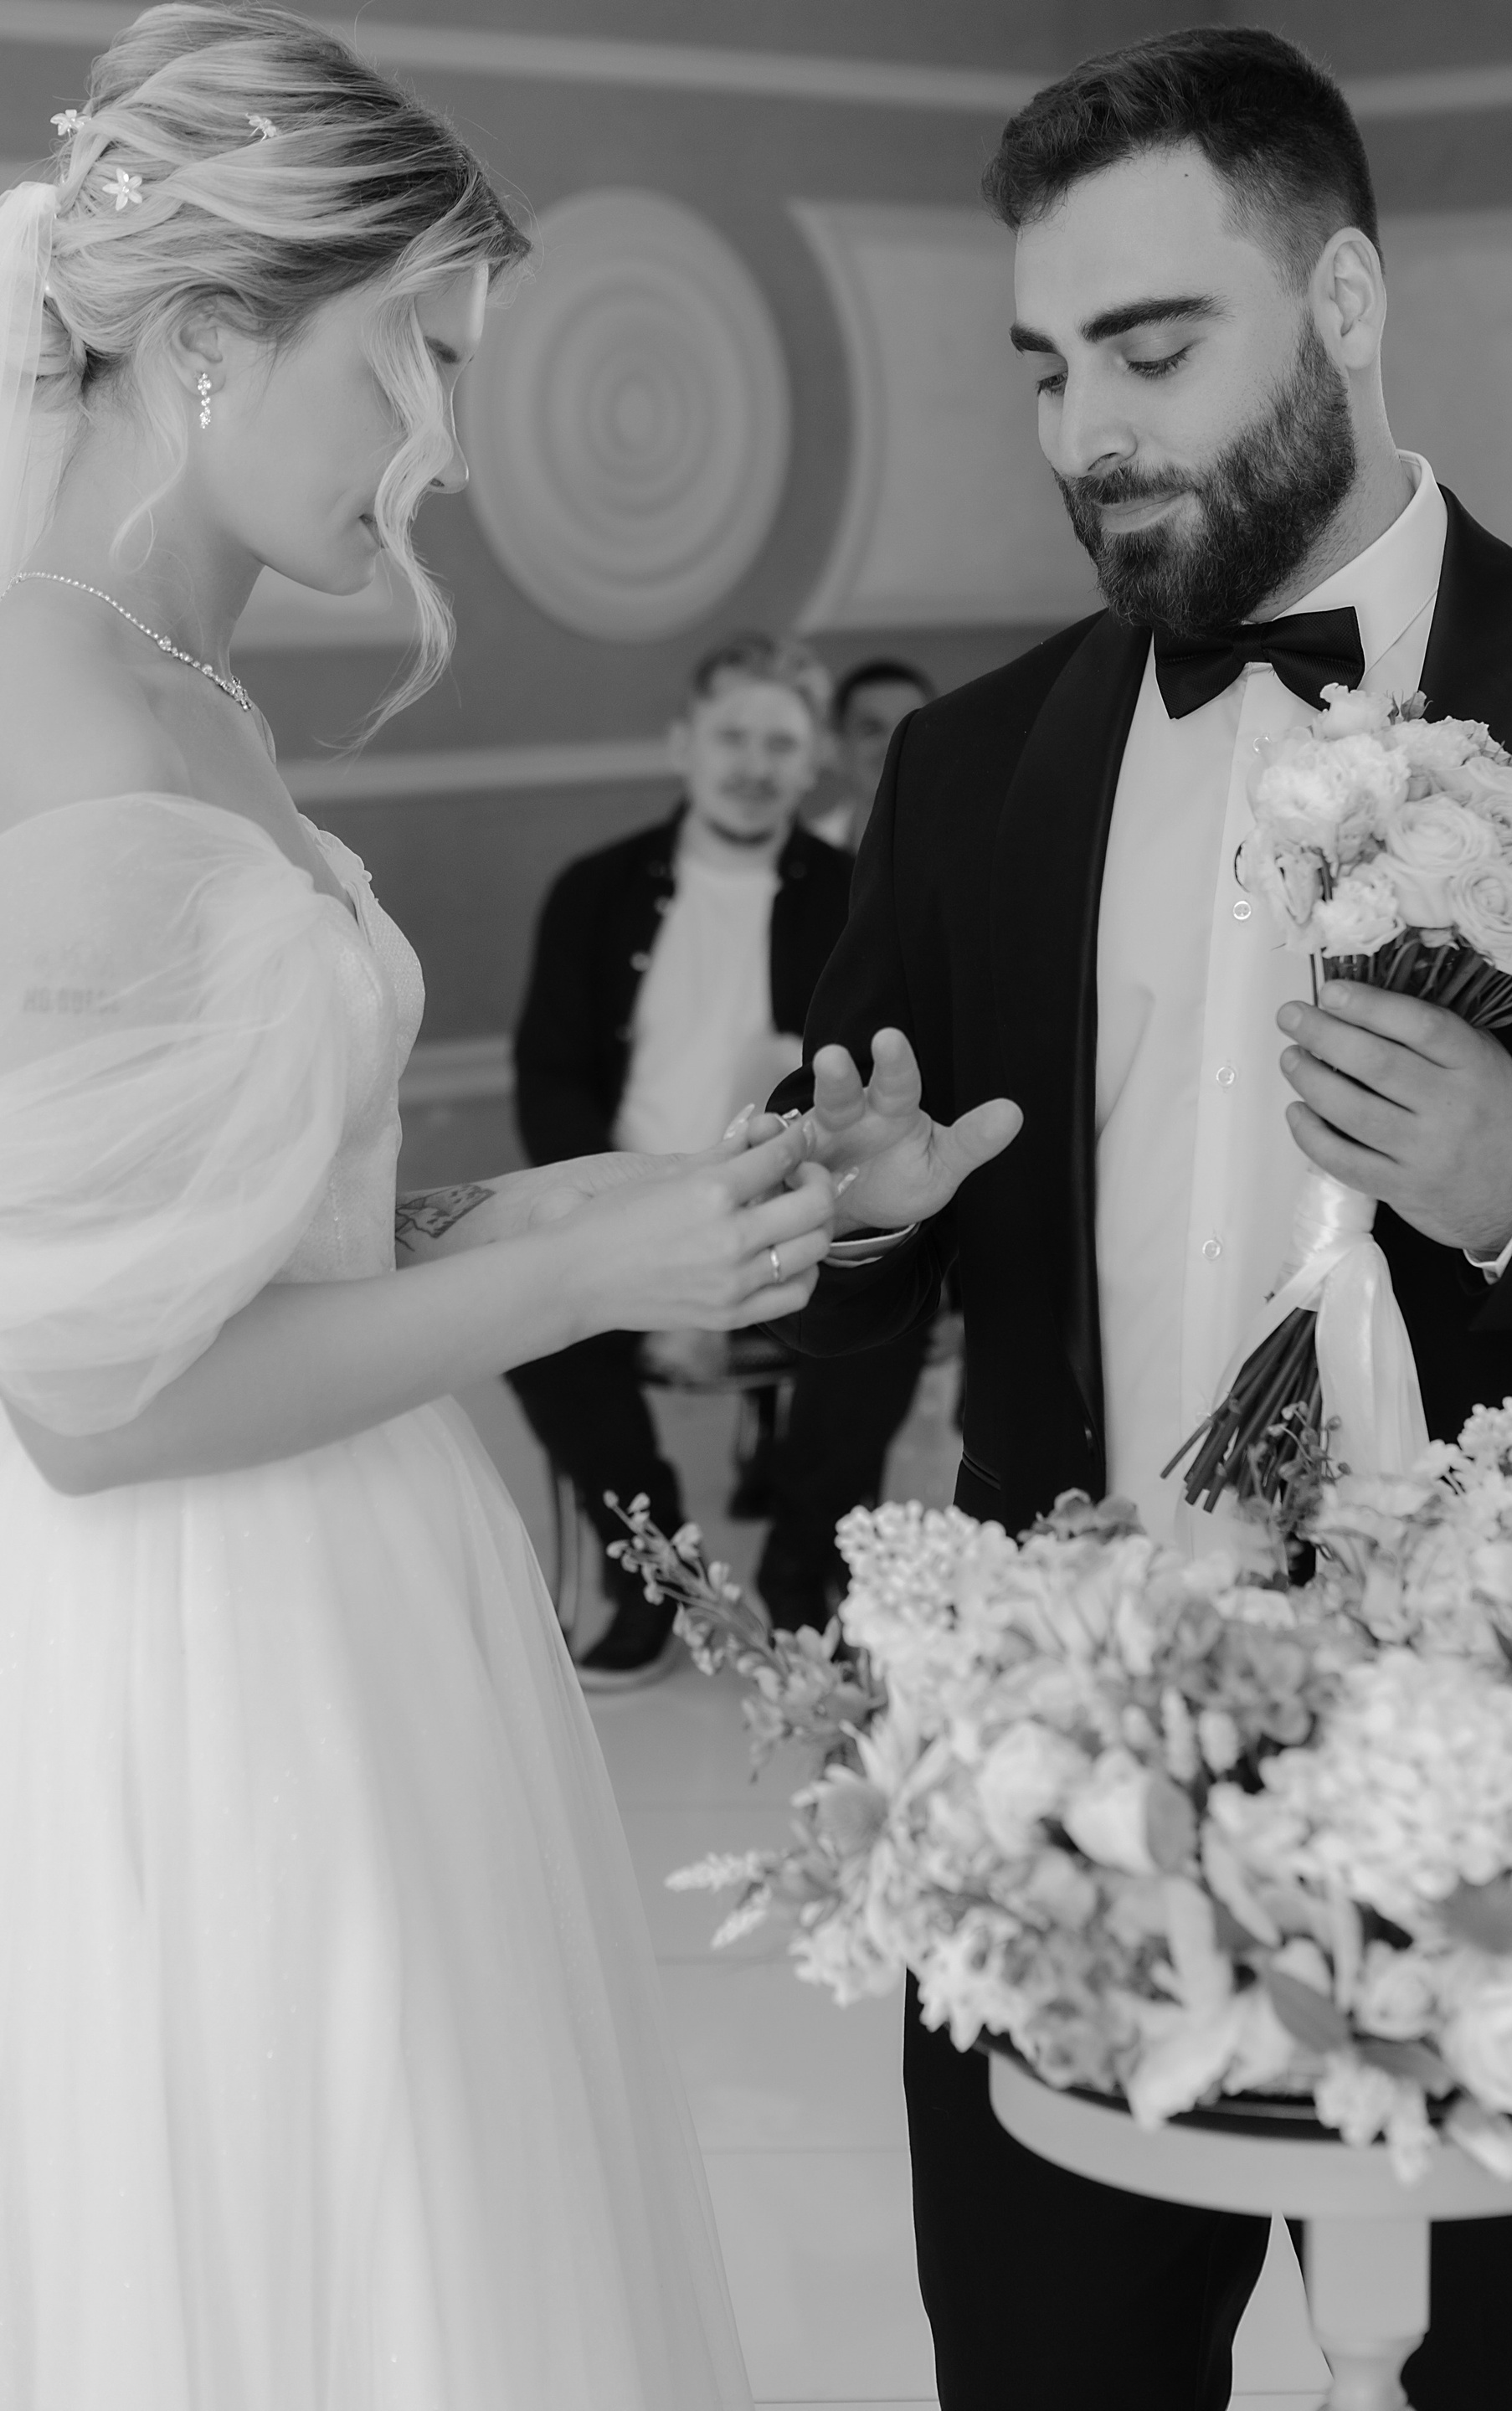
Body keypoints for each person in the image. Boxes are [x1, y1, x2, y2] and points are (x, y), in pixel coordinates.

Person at [0, 8, 838, 2403]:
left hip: (351, 1584)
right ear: (207, 333)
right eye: (417, 357)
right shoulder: (54, 709)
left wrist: (668, 1189)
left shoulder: (187, 691)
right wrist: (580, 1276)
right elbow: (93, 1403)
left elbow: (285, 1249)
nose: (445, 446)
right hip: (203, 1645)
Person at [769, 26, 1512, 2411]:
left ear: (1342, 298)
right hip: (1075, 1804)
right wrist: (864, 1224)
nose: (1087, 435)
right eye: (1045, 368)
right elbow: (868, 1236)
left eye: (1151, 349)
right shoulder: (964, 769)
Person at [508, 634, 921, 1678]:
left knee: (887, 1303)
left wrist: (762, 1218)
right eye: (732, 736)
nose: (753, 764)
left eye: (780, 743)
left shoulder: (857, 900)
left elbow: (859, 1100)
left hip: (795, 1207)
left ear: (814, 758)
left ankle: (805, 1564)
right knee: (523, 1316)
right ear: (683, 745)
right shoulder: (594, 891)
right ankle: (656, 1573)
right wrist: (623, 1223)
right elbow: (550, 1077)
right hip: (620, 1200)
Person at [808, 656, 935, 853]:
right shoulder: (803, 855)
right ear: (839, 749)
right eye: (872, 730)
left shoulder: (976, 848)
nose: (893, 746)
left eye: (910, 729)